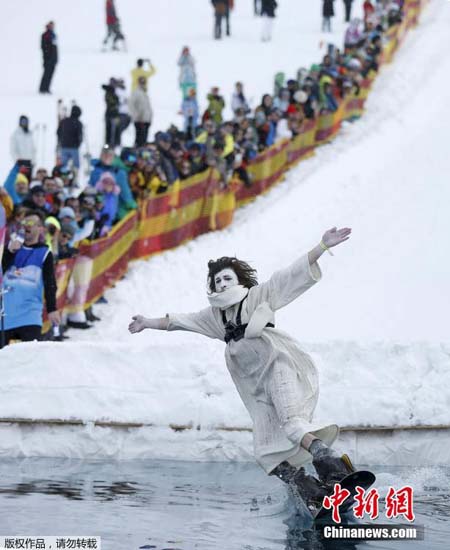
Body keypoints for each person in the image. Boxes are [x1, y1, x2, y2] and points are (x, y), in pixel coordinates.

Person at [129, 227, 355, 508]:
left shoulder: (257, 296)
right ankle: (308, 489)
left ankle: (334, 468)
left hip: (277, 366)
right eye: (217, 280)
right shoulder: (213, 316)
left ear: (238, 280)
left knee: (293, 425)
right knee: (264, 452)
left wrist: (322, 246)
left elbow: (289, 275)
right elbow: (178, 321)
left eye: (227, 278)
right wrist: (147, 322)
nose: (222, 283)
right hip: (253, 386)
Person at [1, 212, 59, 346]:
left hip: (29, 316)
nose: (26, 226)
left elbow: (50, 282)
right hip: (4, 317)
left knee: (29, 360)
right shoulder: (10, 249)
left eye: (31, 223)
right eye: (24, 223)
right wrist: (9, 253)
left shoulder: (44, 253)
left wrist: (52, 309)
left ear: (40, 228)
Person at [129, 76, 153, 147]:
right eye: (141, 82)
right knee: (139, 139)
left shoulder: (144, 93)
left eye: (144, 82)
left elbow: (147, 107)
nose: (143, 84)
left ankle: (142, 151)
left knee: (144, 139)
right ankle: (137, 151)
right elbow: (131, 105)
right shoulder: (136, 92)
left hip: (146, 120)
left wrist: (150, 117)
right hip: (139, 120)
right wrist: (137, 115)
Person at [57, 105, 83, 169]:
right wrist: (78, 144)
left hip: (64, 146)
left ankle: (63, 176)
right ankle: (75, 177)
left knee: (63, 165)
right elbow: (80, 135)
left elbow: (58, 132)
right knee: (76, 166)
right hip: (74, 147)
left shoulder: (64, 121)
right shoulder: (78, 123)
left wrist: (60, 141)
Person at [39, 21, 58, 94]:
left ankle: (46, 88)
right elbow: (44, 47)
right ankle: (43, 89)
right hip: (48, 59)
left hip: (53, 59)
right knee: (46, 74)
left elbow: (55, 48)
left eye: (53, 26)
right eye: (51, 26)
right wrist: (47, 57)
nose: (52, 27)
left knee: (50, 75)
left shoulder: (53, 35)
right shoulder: (45, 35)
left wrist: (55, 58)